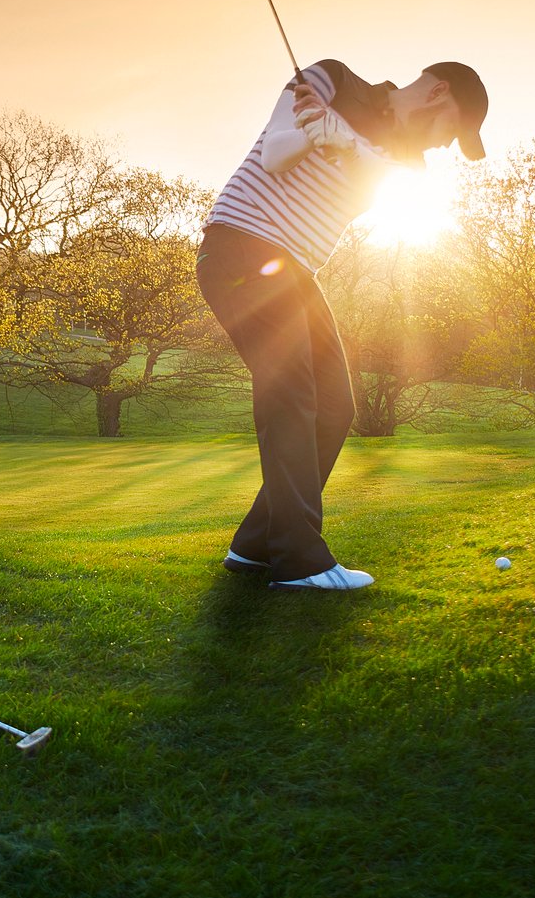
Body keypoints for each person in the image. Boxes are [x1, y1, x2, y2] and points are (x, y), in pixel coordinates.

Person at [197, 59, 489, 590]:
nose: (448, 144)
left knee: (335, 406)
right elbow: (277, 153)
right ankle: (301, 561)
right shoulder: (331, 79)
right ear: (439, 93)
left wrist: (342, 138)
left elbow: (387, 178)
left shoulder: (409, 161)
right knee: (291, 393)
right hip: (243, 246)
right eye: (454, 129)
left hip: (293, 270)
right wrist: (315, 135)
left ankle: (255, 545)